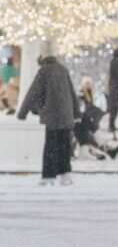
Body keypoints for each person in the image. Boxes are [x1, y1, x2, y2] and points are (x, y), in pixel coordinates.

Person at [16, 40, 80, 185]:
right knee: (65, 145)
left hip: (52, 115)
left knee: (51, 145)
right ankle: (65, 173)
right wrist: (77, 113)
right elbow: (72, 93)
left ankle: (49, 176)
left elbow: (33, 93)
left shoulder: (44, 71)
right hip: (66, 114)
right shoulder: (63, 70)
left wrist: (22, 113)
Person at [74, 77, 112, 160]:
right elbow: (86, 108)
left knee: (85, 123)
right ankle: (101, 144)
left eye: (89, 84)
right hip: (77, 119)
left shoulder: (88, 94)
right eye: (87, 83)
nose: (89, 85)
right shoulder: (82, 94)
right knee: (85, 121)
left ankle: (89, 150)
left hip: (81, 119)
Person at [109, 49, 118, 134]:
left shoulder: (113, 62)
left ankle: (111, 126)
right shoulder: (116, 62)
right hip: (116, 89)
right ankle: (111, 126)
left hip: (113, 89)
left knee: (114, 110)